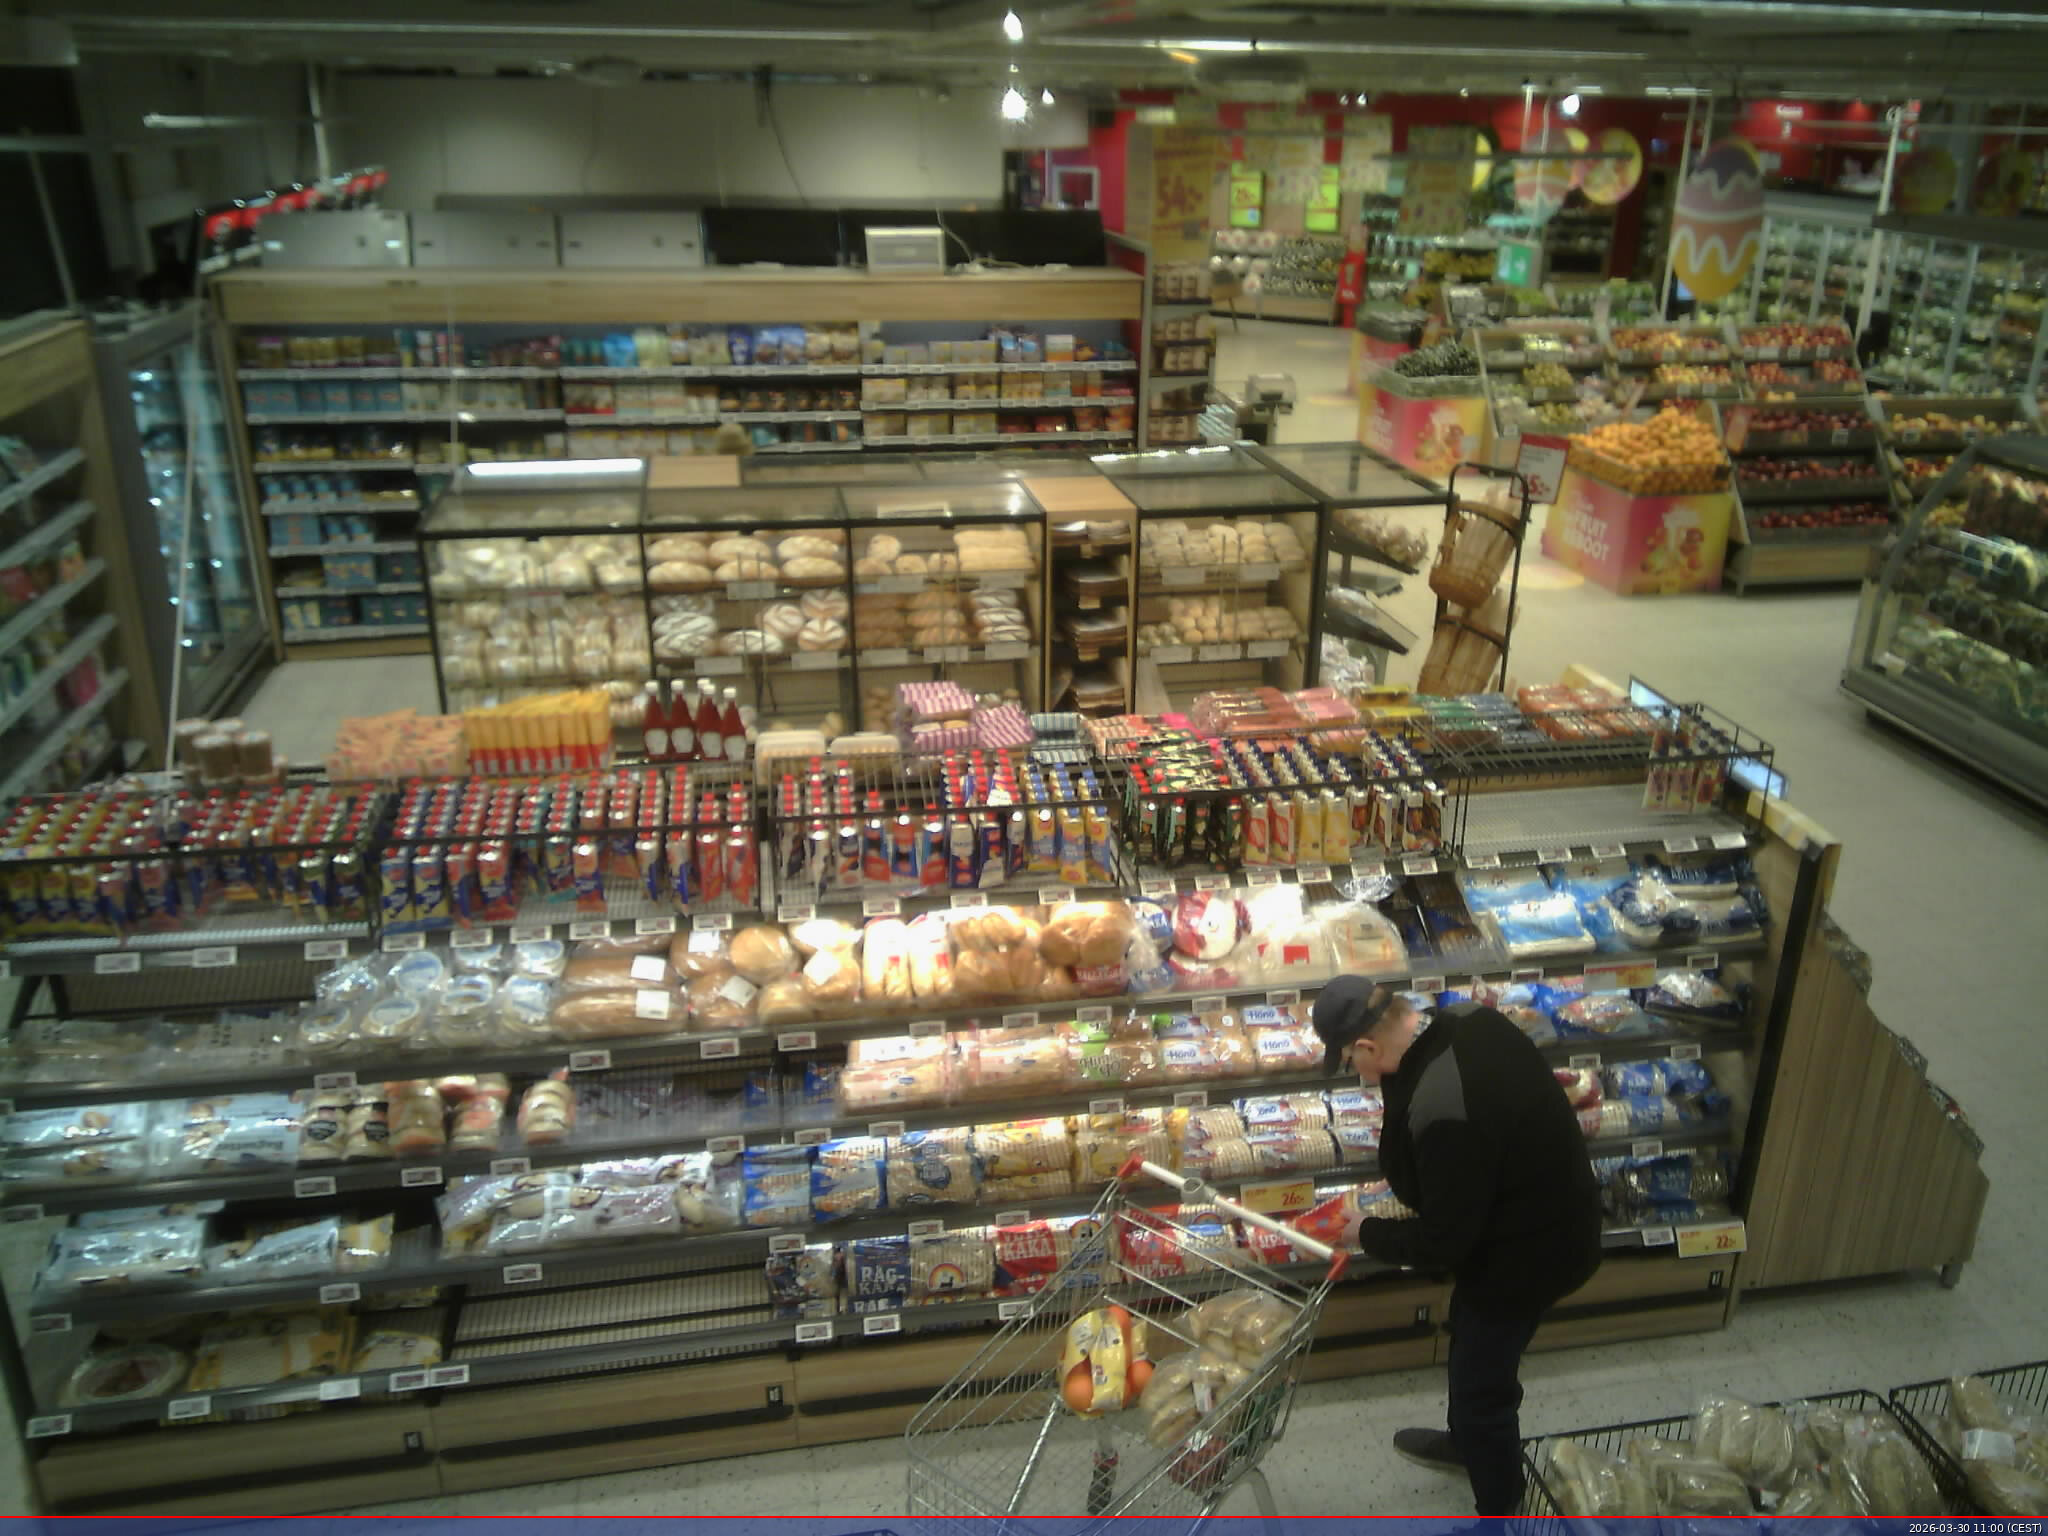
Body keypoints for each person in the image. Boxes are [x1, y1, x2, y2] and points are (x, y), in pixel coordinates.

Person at [1312, 975, 1602, 1517]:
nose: (1355, 1072)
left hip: (1529, 1253)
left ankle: (1501, 1508)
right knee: (1469, 1335)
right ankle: (1466, 1443)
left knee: (1482, 1386)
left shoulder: (1445, 1104)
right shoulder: (1468, 1019)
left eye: (1350, 1060)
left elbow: (1444, 1241)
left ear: (1369, 1046)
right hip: (1540, 1213)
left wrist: (1365, 1233)